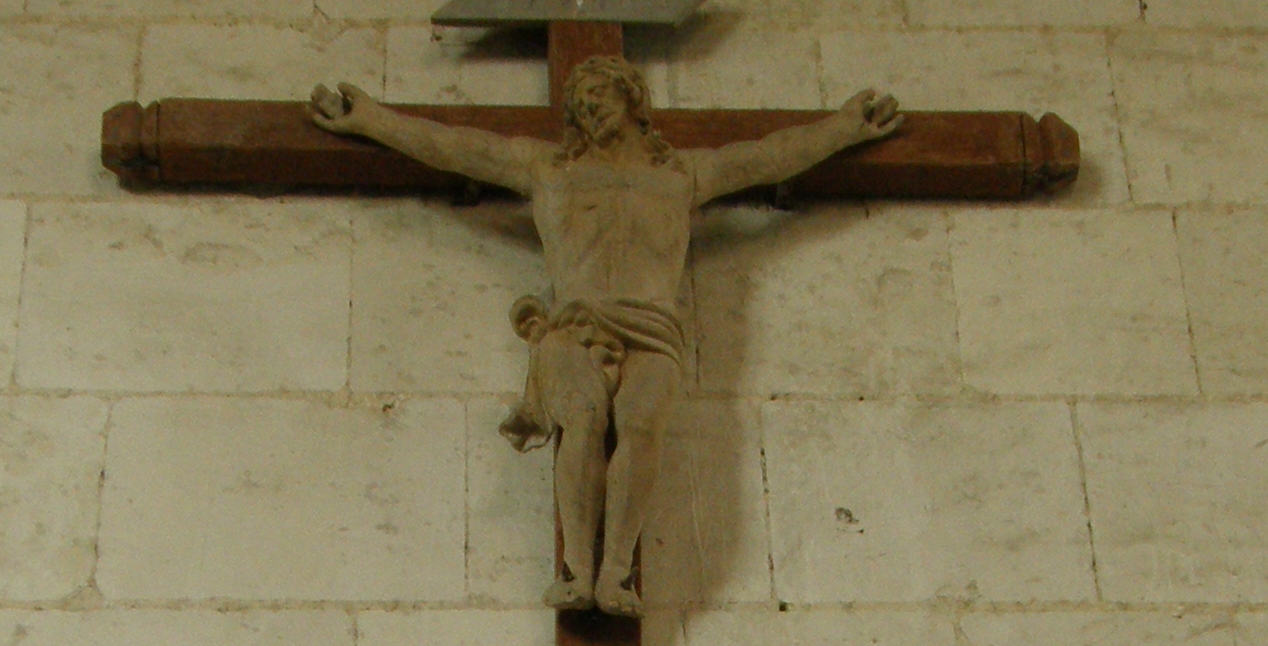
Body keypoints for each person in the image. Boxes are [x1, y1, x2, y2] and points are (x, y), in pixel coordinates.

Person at [312, 55, 900, 614]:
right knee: (584, 418)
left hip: (653, 328)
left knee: (641, 424)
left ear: (631, 97)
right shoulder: (547, 169)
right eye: (580, 103)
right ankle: (576, 571)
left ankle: (616, 572)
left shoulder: (681, 174)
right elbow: (458, 147)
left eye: (599, 95)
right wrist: (373, 120)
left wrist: (845, 128)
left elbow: (769, 157)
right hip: (575, 323)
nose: (589, 108)